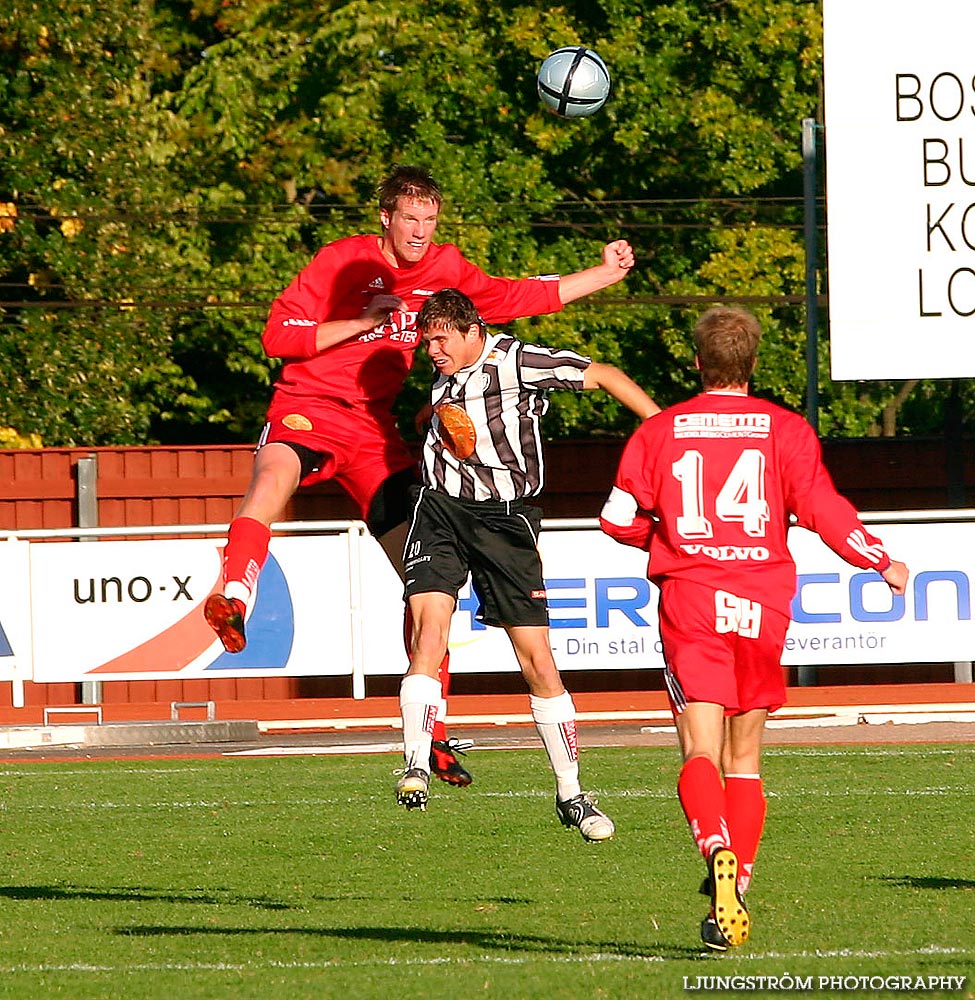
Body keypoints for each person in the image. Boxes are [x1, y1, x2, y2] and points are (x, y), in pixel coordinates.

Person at [203, 165, 640, 787]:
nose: (420, 231)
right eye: (410, 218)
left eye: (430, 220)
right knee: (269, 483)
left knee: (426, 579)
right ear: (385, 217)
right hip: (308, 407)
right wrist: (363, 320)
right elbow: (279, 336)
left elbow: (513, 297)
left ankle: (430, 734)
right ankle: (237, 597)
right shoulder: (341, 262)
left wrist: (603, 273)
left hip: (376, 433)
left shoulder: (444, 268)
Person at [598, 306, 909, 948]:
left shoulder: (661, 431)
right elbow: (822, 509)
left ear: (696, 364)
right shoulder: (785, 430)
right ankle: (735, 892)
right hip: (762, 599)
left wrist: (671, 540)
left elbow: (617, 517)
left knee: (698, 750)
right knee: (746, 757)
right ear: (753, 365)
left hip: (691, 596)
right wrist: (880, 558)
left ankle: (715, 847)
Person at [393, 288, 659, 843]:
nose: (431, 349)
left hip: (506, 523)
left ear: (472, 331)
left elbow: (605, 374)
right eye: (427, 339)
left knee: (537, 658)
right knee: (428, 632)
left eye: (441, 338)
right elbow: (441, 409)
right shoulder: (445, 371)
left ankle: (571, 793)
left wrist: (661, 430)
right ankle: (415, 762)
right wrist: (427, 418)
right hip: (439, 510)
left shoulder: (518, 360)